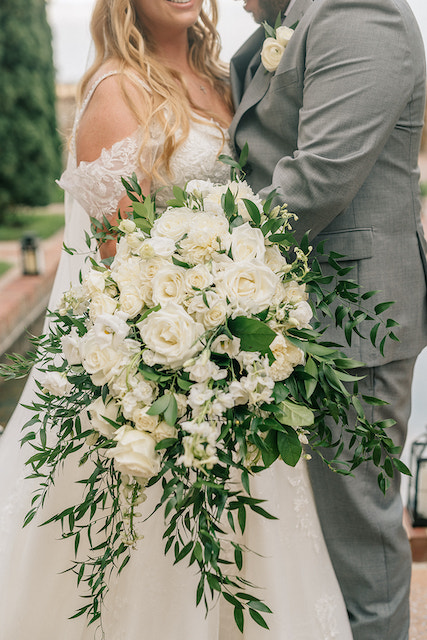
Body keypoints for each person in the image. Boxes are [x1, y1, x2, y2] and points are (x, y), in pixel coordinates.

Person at [0, 1, 354, 638]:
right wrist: (190, 331)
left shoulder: (225, 76)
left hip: (237, 371)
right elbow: (117, 272)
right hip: (162, 384)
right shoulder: (115, 90)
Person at [230, 0, 427, 639]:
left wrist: (197, 259)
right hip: (296, 320)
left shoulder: (360, 13)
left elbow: (317, 179)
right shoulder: (279, 28)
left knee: (360, 556)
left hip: (354, 330)